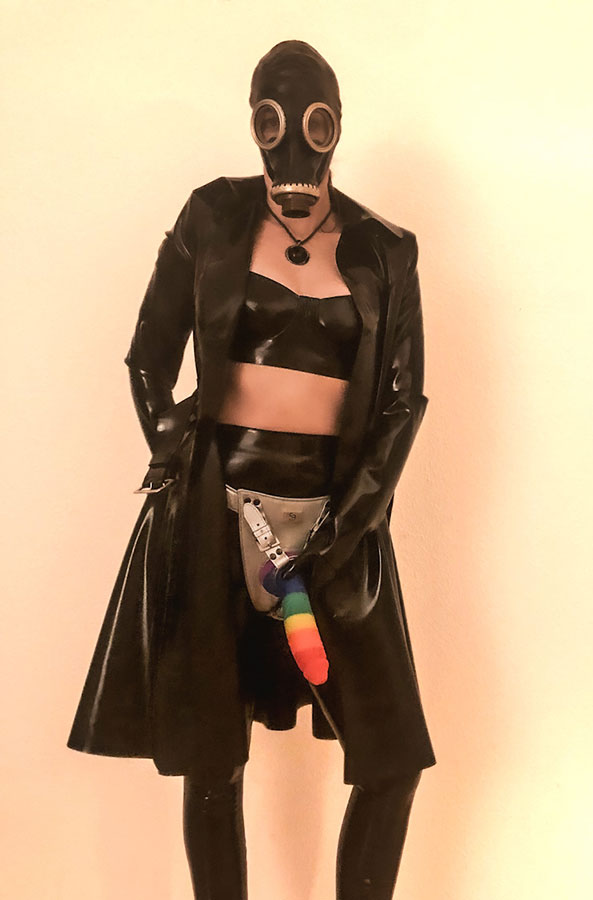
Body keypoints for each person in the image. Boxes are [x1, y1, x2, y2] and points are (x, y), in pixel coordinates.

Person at [67, 40, 436, 900]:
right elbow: (148, 359)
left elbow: (401, 402)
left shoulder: (385, 249)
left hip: (338, 523)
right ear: (256, 126)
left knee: (390, 756)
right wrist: (175, 457)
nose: (293, 147)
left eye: (314, 124)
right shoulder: (212, 217)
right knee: (211, 756)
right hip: (215, 516)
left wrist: (347, 527)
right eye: (273, 123)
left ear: (334, 127)